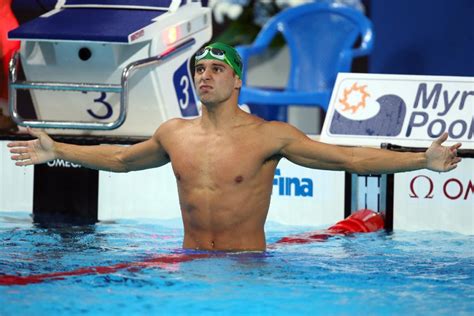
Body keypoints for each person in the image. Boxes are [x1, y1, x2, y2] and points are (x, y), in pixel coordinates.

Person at [8, 42, 462, 251]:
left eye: (215, 69)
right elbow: (122, 160)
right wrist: (58, 149)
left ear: (237, 79)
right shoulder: (174, 133)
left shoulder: (269, 135)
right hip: (188, 264)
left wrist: (422, 159)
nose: (204, 75)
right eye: (198, 69)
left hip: (248, 273)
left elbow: (350, 157)